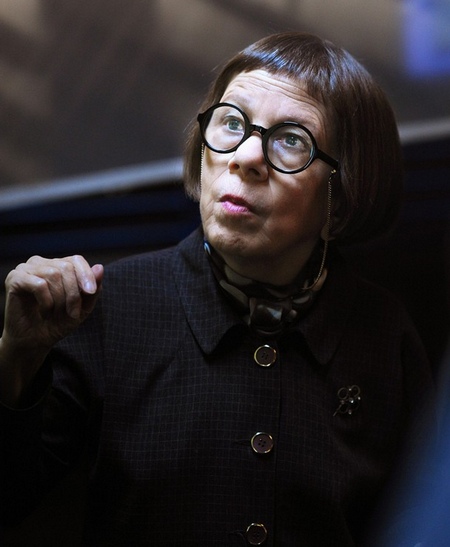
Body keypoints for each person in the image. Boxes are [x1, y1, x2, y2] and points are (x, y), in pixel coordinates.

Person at [0, 31, 433, 546]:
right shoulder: (106, 307)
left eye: (292, 139)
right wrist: (17, 357)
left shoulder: (385, 337)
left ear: (339, 199)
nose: (245, 156)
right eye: (232, 123)